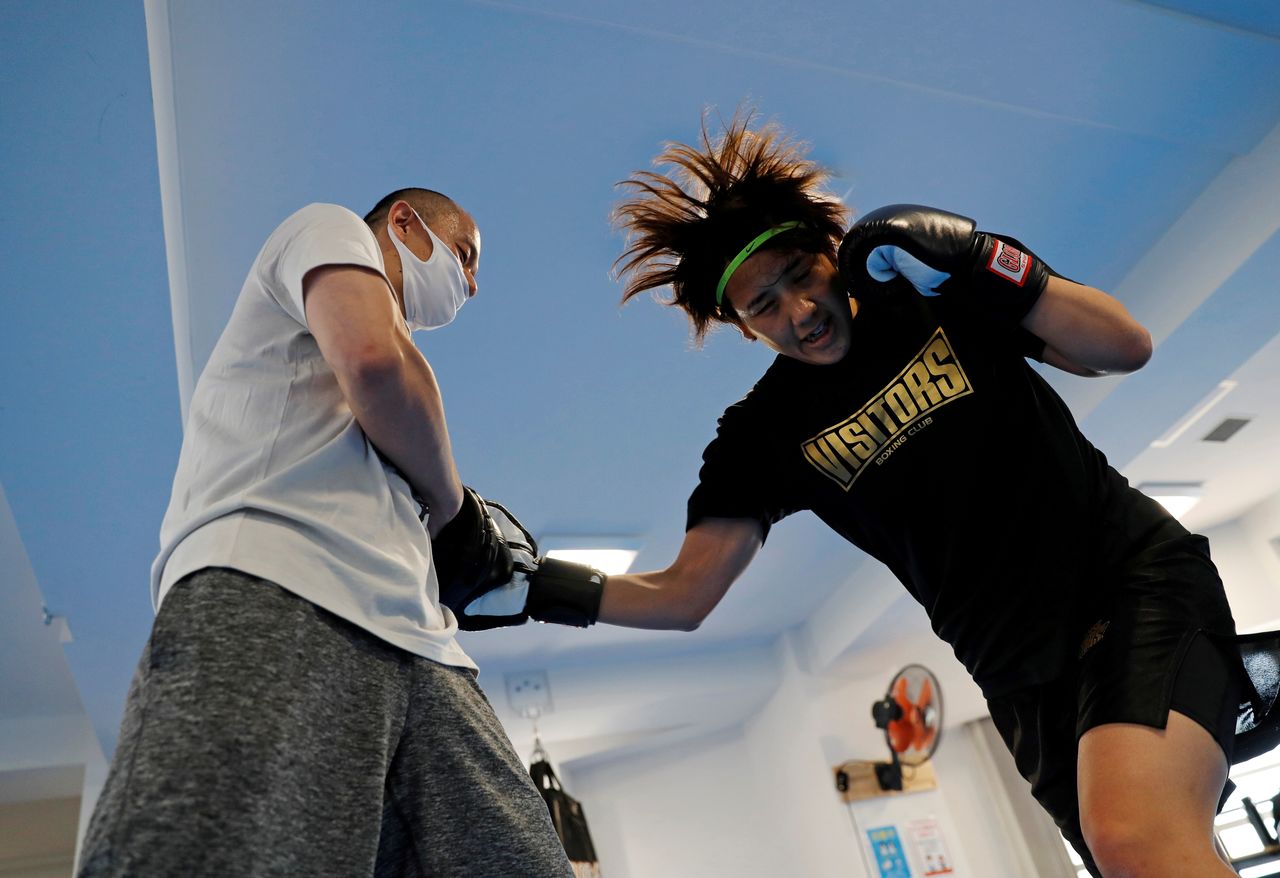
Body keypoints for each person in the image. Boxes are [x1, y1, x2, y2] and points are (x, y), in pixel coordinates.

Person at [447, 112, 1259, 878]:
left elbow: (1124, 347)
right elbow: (684, 595)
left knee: (1131, 840)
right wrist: (534, 589)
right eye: (764, 304)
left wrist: (985, 259)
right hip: (1016, 675)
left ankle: (1225, 680)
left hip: (1126, 581)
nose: (800, 312)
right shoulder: (758, 437)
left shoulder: (929, 300)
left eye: (804, 275)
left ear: (832, 252)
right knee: (1147, 852)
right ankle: (1238, 688)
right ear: (740, 325)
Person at [77, 189, 575, 877]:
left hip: (428, 650)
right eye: (465, 255)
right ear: (405, 221)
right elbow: (374, 360)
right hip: (275, 586)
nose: (472, 282)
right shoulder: (327, 227)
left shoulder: (391, 447)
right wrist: (453, 507)